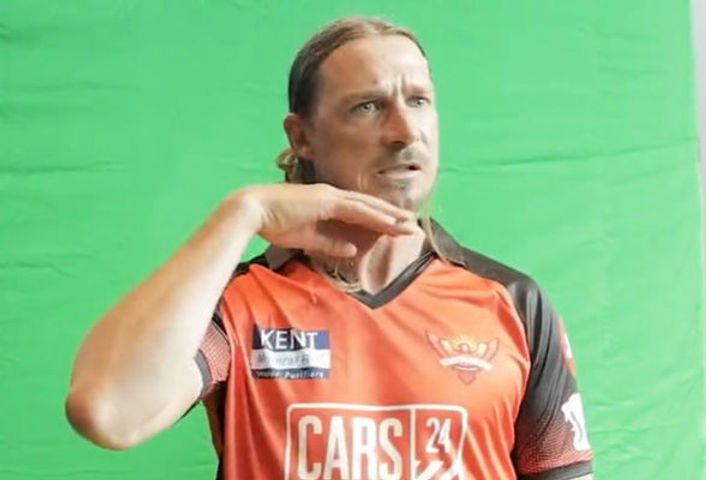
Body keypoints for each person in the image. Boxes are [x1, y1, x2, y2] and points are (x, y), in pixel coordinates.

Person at [65, 16, 594, 480]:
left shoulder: (513, 303)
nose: (405, 131)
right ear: (302, 138)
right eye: (368, 106)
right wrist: (242, 213)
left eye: (418, 100)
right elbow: (108, 411)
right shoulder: (239, 306)